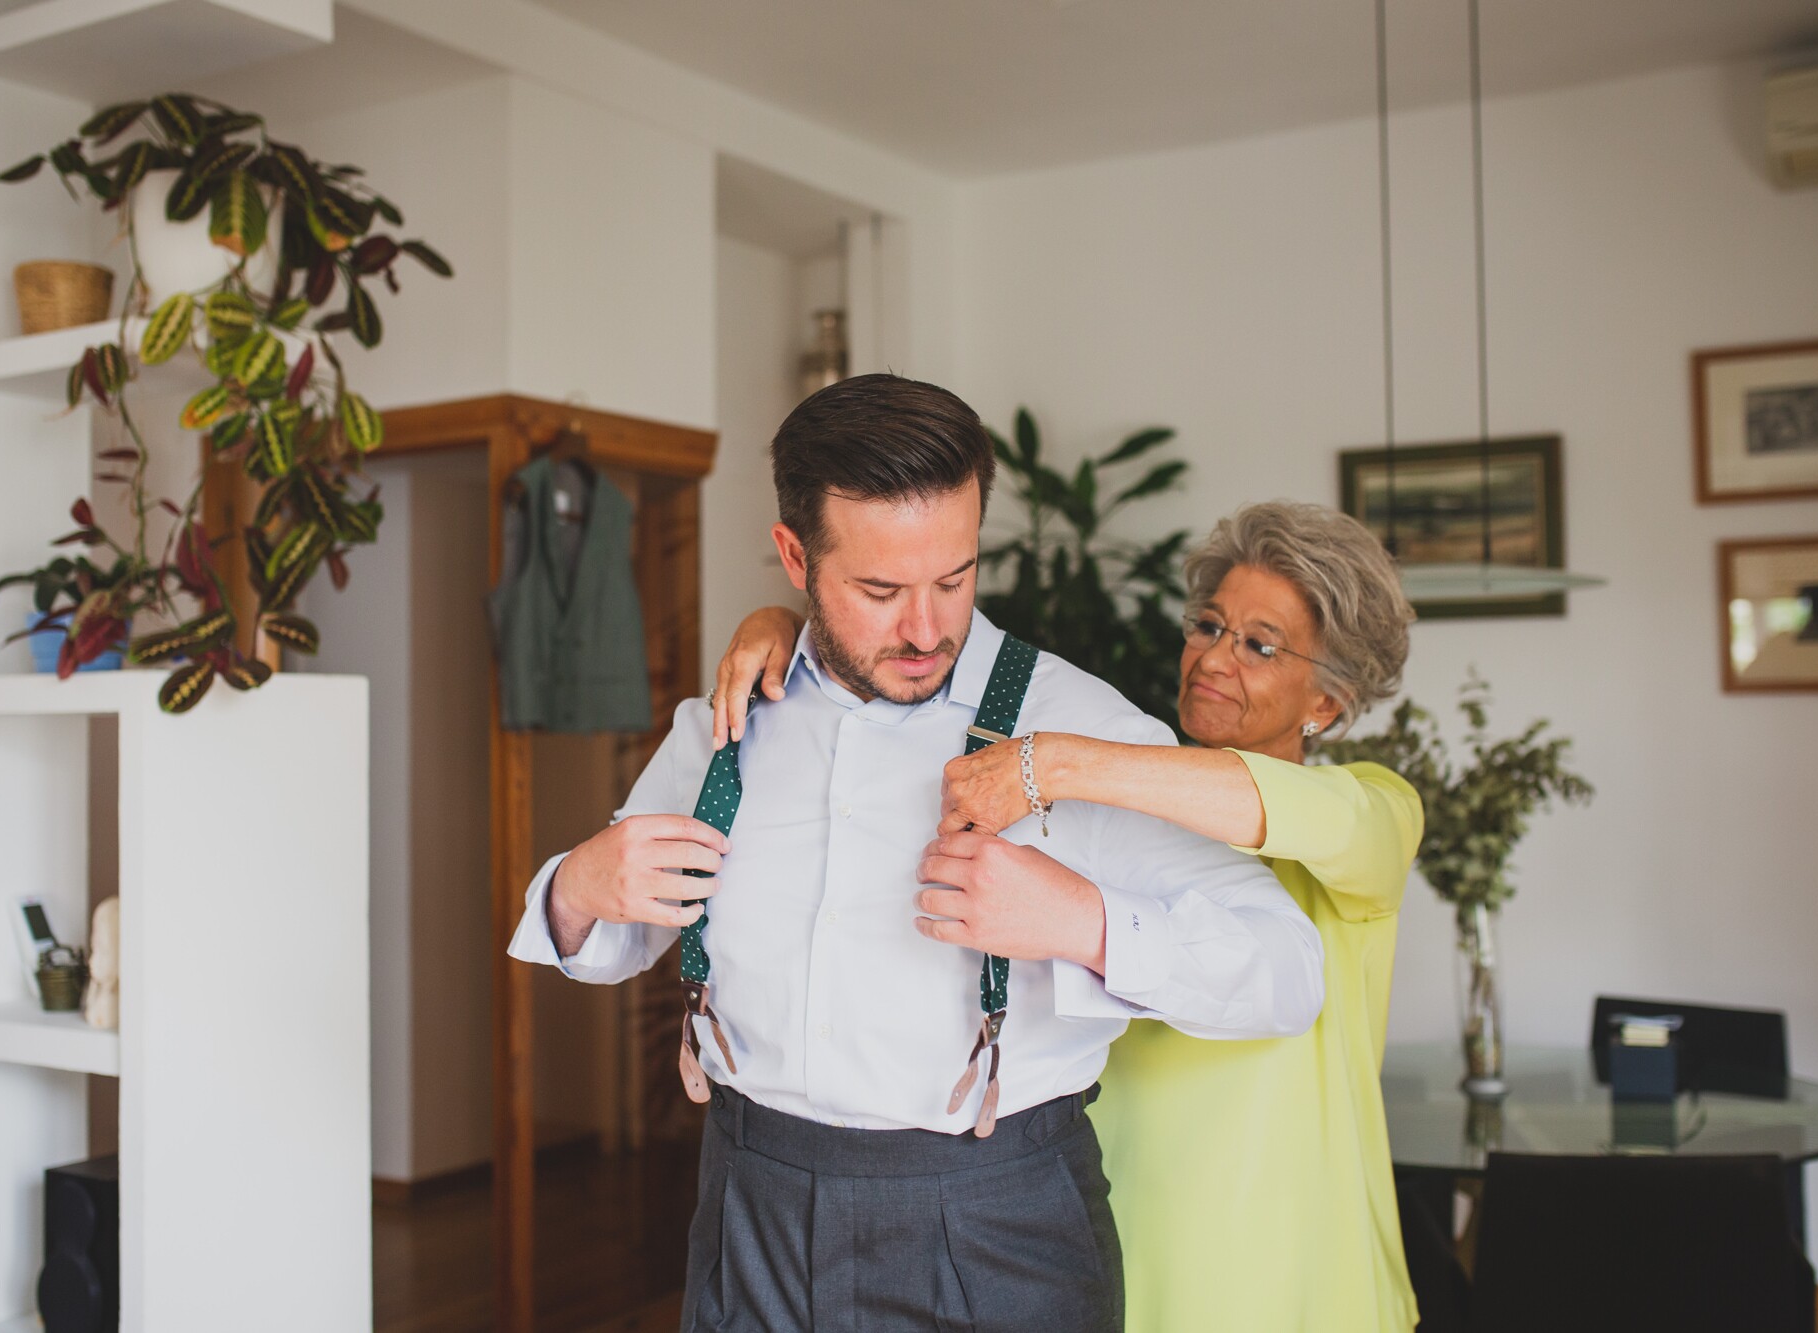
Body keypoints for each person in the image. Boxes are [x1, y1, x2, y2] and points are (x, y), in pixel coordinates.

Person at [510, 376, 1325, 1333]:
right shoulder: (725, 728)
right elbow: (605, 939)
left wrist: (1085, 923)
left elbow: (1287, 969)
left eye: (955, 578)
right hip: (749, 1208)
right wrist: (577, 884)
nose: (928, 628)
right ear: (793, 556)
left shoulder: (1081, 729)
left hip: (996, 1221)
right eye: (881, 590)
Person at [713, 499, 1422, 1331]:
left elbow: (1272, 813)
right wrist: (781, 630)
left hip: (1284, 1264)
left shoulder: (1373, 812)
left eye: (1258, 644)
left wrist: (1051, 758)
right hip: (1094, 1231)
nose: (1213, 659)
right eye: (1208, 625)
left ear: (1327, 704)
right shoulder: (1111, 802)